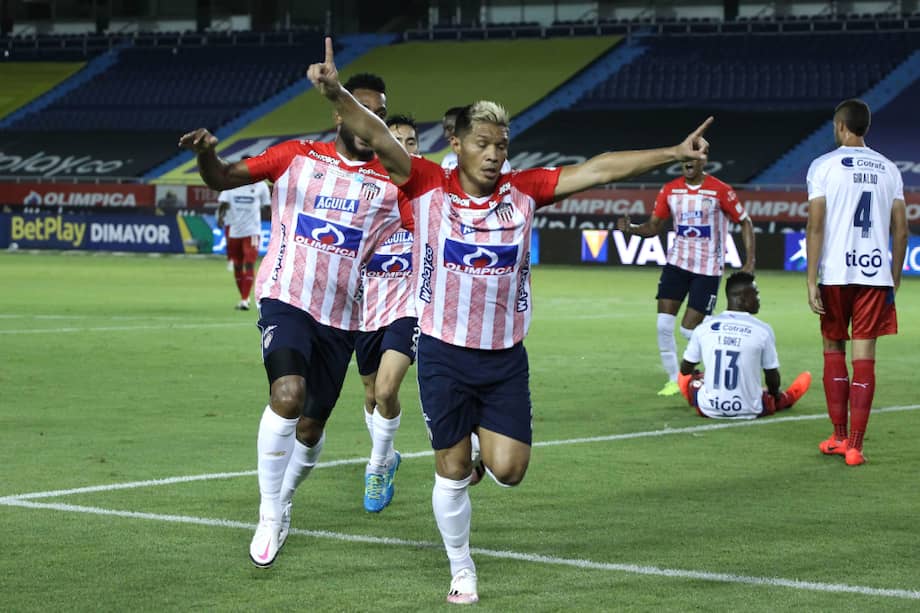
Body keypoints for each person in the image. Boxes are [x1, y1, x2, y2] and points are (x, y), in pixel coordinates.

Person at [308, 37, 714, 604]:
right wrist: (336, 92)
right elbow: (375, 135)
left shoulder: (523, 192)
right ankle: (462, 567)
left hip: (503, 360)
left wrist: (672, 151)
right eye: (484, 143)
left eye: (502, 144)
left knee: (510, 470)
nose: (496, 154)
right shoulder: (425, 184)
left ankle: (480, 459)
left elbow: (596, 169)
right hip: (444, 352)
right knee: (450, 469)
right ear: (457, 144)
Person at [179, 72, 406, 569]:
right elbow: (221, 177)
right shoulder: (295, 157)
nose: (371, 122)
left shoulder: (394, 185)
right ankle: (269, 511)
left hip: (343, 317)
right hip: (286, 297)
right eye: (360, 110)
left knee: (309, 428)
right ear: (339, 114)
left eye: (379, 115)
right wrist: (205, 154)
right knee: (287, 394)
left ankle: (284, 499)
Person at [806, 98, 908, 466]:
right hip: (875, 276)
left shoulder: (823, 166)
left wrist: (810, 279)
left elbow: (815, 225)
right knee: (865, 358)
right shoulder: (888, 168)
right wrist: (893, 277)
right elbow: (901, 230)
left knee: (833, 349)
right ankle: (856, 447)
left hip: (835, 273)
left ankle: (838, 435)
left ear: (840, 127)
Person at [617, 157, 755, 397]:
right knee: (663, 325)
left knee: (689, 330)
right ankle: (675, 380)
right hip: (677, 264)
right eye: (685, 159)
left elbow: (745, 222)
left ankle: (716, 360)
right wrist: (632, 229)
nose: (688, 163)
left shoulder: (720, 190)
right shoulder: (670, 190)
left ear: (704, 162)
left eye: (694, 159)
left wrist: (750, 261)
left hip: (708, 268)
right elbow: (653, 227)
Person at [354, 114, 420, 513]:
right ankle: (389, 454)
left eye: (409, 141)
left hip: (408, 306)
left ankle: (377, 465)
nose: (403, 147)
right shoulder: (361, 191)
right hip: (365, 309)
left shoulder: (427, 190)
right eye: (395, 140)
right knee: (369, 393)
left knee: (385, 390)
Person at [678, 272, 812, 419]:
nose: (758, 299)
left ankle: (692, 389)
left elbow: (685, 369)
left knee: (694, 382)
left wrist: (695, 375)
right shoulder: (762, 330)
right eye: (755, 294)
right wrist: (775, 394)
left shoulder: (704, 327)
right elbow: (772, 376)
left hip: (708, 408)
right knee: (772, 397)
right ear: (741, 298)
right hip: (750, 408)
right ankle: (788, 397)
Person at [216, 165, 271, 310]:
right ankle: (243, 297)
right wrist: (221, 217)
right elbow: (223, 203)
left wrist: (276, 221)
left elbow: (267, 206)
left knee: (249, 263)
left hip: (252, 231)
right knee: (237, 264)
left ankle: (245, 299)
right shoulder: (230, 184)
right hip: (234, 230)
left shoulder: (261, 186)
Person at [440, 105, 511, 174]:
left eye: (450, 128)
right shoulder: (447, 160)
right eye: (445, 129)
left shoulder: (495, 159)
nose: (446, 135)